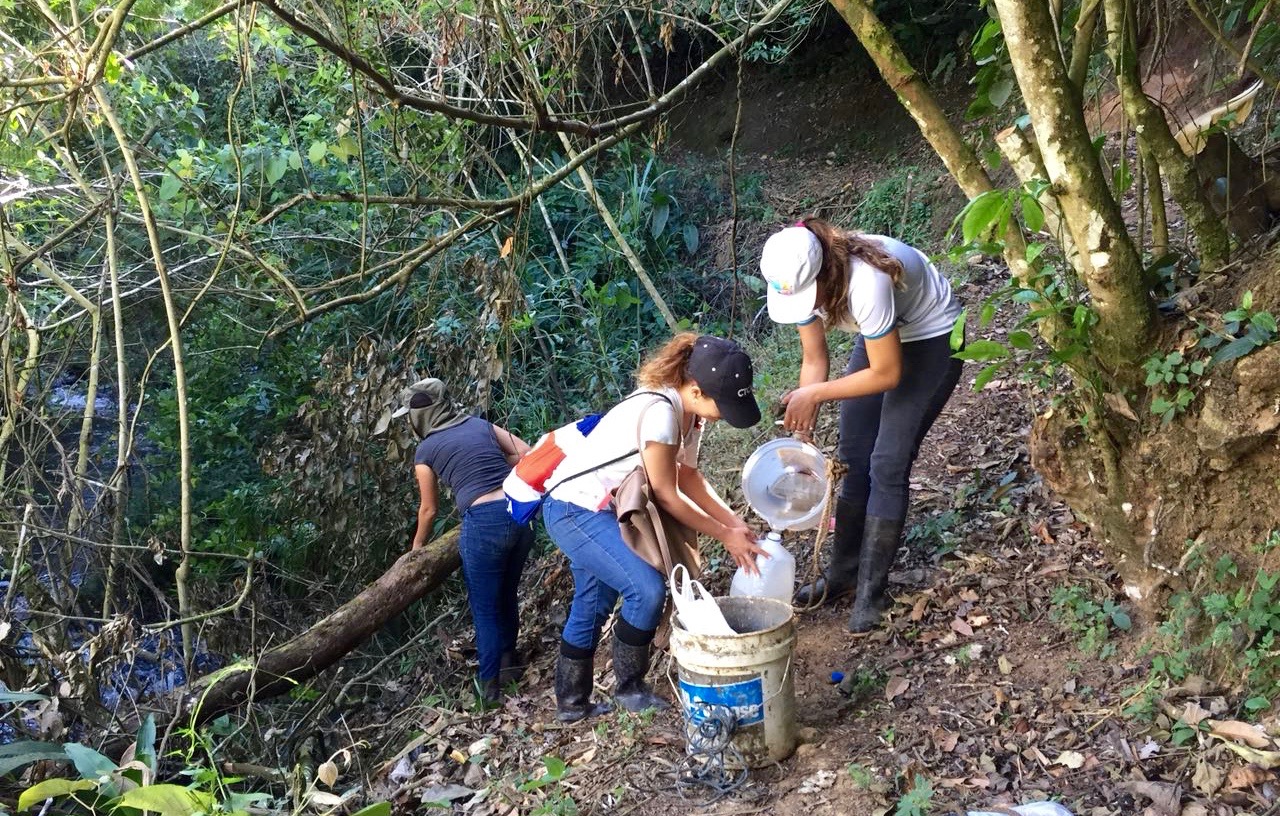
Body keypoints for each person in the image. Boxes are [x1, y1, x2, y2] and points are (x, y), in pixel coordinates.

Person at [542, 334, 767, 722]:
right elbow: (667, 494)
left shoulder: (689, 413)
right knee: (645, 590)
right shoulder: (661, 412)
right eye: (722, 406)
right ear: (695, 389)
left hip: (602, 509)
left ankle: (571, 703)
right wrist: (724, 535)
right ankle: (630, 689)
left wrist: (733, 521)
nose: (722, 416)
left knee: (592, 602)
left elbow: (691, 479)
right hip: (572, 509)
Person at [759, 218, 963, 633]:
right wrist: (803, 425)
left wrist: (815, 395)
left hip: (932, 336)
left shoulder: (867, 282)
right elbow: (815, 358)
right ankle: (843, 573)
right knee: (852, 458)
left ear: (825, 275)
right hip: (883, 335)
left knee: (887, 463)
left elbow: (887, 374)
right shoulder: (801, 278)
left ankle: (872, 593)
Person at [394, 378, 534, 704]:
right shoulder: (479, 424)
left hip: (483, 524)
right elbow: (525, 452)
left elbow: (429, 510)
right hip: (519, 514)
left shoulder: (425, 449)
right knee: (506, 594)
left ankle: (489, 693)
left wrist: (417, 550)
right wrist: (499, 470)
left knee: (484, 609)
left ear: (419, 417)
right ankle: (509, 665)